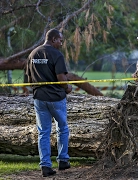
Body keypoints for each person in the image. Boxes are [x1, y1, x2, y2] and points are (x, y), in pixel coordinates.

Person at [26, 29, 72, 177]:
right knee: (63, 128)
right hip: (56, 98)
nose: (61, 43)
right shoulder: (56, 54)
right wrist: (67, 87)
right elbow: (61, 78)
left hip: (39, 98)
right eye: (60, 40)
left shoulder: (33, 54)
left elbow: (29, 79)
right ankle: (63, 160)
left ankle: (45, 166)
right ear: (53, 39)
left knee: (43, 132)